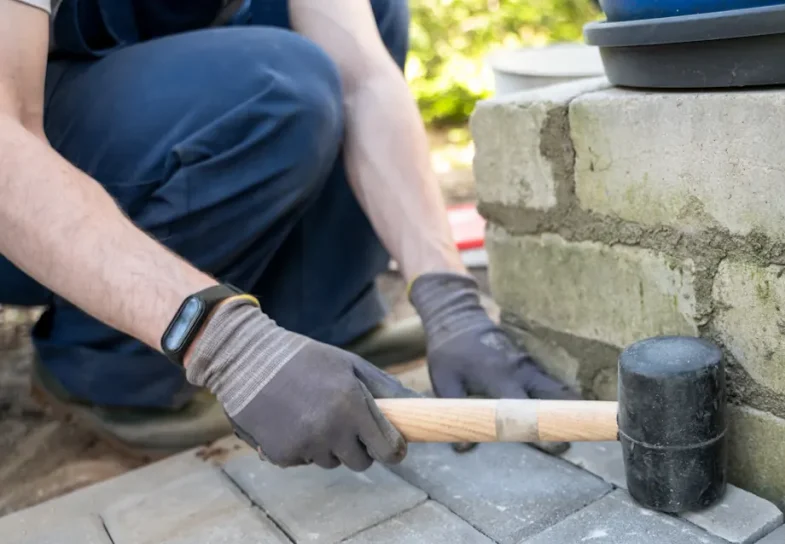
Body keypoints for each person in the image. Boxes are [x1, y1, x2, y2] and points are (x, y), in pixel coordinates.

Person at [0, 0, 576, 471]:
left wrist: (450, 302)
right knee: (277, 83)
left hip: (105, 108)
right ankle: (105, 368)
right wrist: (227, 345)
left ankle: (319, 320)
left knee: (370, 14)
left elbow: (363, 80)